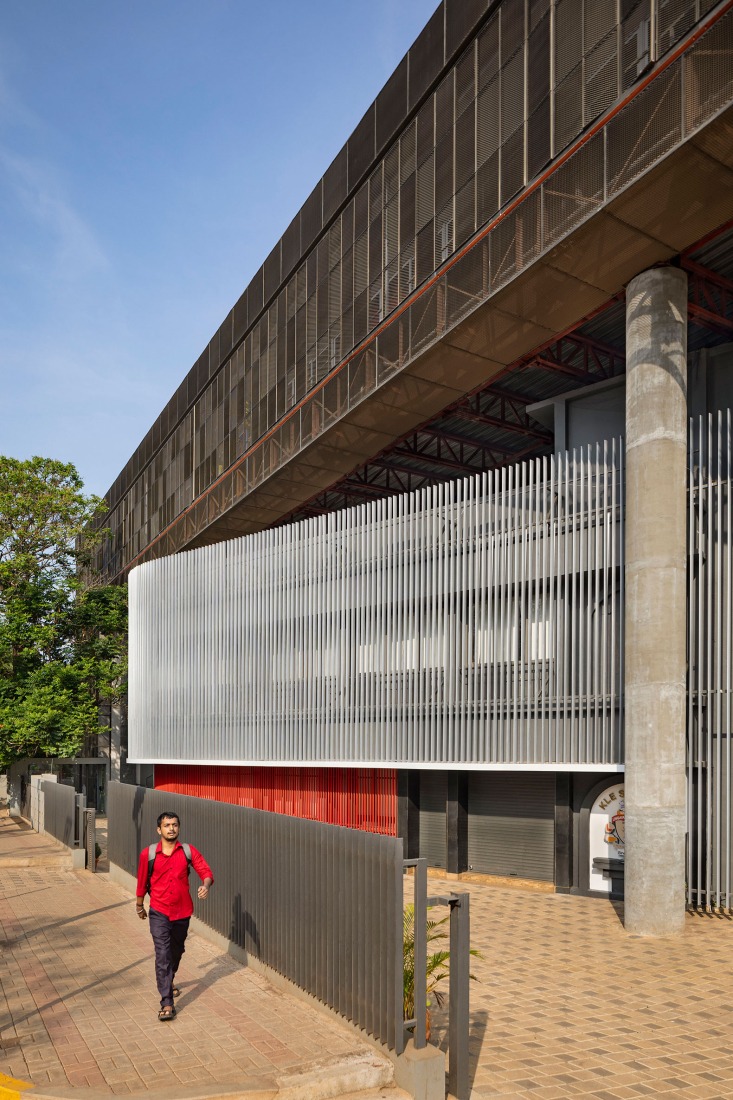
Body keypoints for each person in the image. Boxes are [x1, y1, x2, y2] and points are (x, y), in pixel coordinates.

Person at [135, 811, 214, 1021]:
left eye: (175, 825)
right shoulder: (148, 854)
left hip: (182, 912)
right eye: (167, 825)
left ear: (178, 828)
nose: (171, 828)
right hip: (159, 911)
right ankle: (167, 1002)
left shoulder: (188, 851)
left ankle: (169, 979)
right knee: (162, 955)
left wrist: (205, 885)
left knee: (176, 951)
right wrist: (139, 905)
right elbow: (142, 880)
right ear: (159, 830)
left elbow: (206, 871)